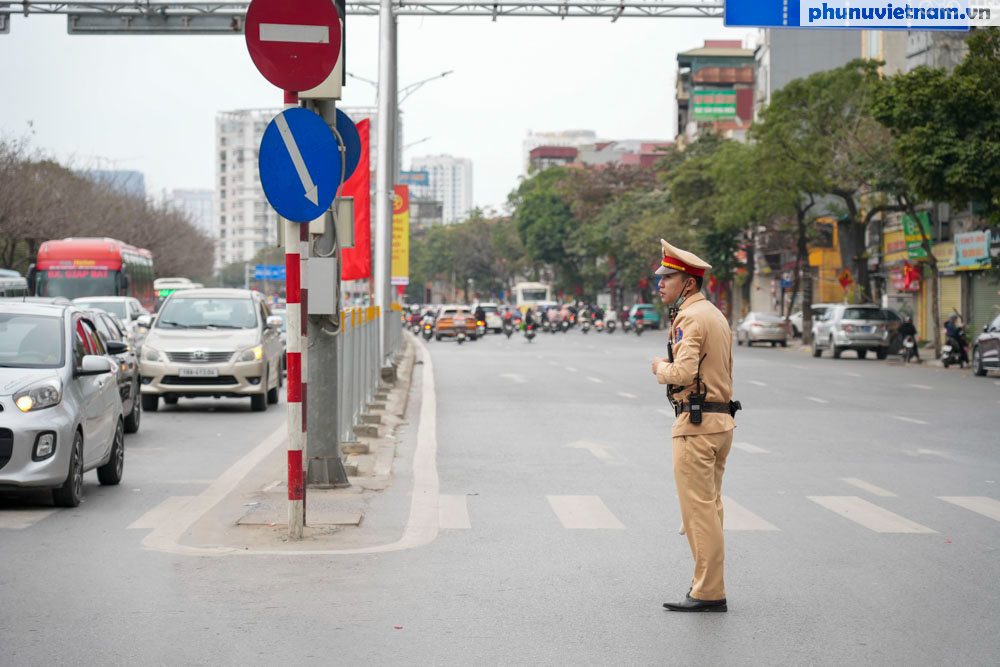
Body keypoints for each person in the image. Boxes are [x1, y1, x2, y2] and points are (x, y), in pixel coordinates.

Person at [650, 238, 738, 613]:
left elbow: (683, 371)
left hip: (697, 425)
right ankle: (708, 584)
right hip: (721, 422)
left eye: (667, 278)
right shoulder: (714, 314)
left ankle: (707, 591)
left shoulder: (689, 317)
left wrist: (658, 369)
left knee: (698, 511)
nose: (660, 284)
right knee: (710, 509)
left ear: (688, 282)